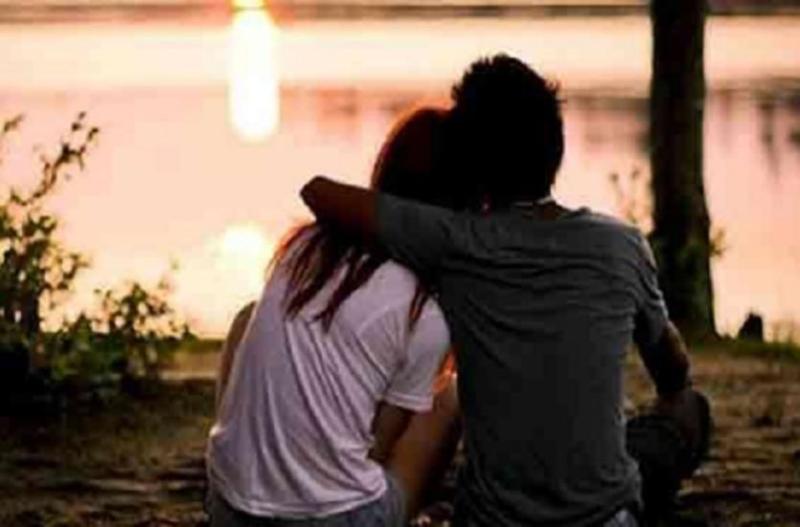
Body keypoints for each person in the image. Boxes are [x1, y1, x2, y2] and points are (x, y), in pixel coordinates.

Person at [300, 55, 711, 527]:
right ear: (556, 149)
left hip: (490, 519)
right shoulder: (622, 245)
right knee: (686, 413)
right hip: (603, 518)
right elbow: (672, 366)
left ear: (472, 164)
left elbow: (317, 192)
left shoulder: (451, 240)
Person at [207, 108, 461, 527]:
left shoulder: (305, 246)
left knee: (247, 317)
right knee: (446, 396)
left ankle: (245, 461)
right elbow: (380, 447)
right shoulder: (425, 310)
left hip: (229, 508)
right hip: (334, 519)